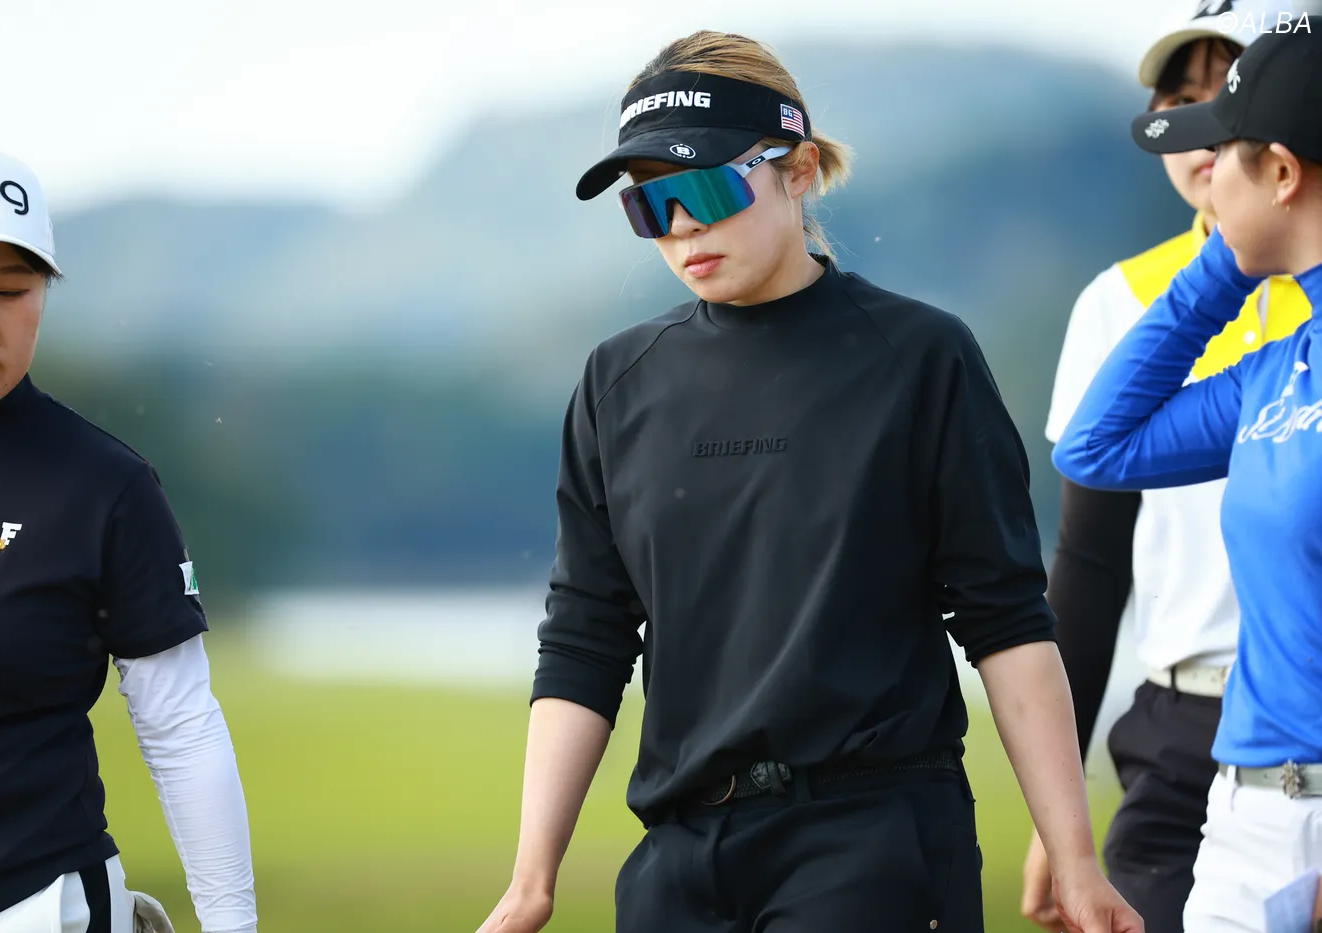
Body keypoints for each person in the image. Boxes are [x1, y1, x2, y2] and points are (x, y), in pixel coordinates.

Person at [476, 29, 1143, 933]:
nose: (681, 227)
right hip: (678, 859)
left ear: (796, 169)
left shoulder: (921, 359)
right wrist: (531, 880)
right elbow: (585, 635)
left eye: (706, 188)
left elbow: (1007, 621)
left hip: (873, 842)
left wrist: (1073, 857)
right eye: (650, 204)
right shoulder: (618, 382)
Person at [1020, 4, 1312, 931]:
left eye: (1225, 128)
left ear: (1281, 165)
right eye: (1180, 107)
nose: (1203, 155)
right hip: (1222, 760)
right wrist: (1225, 262)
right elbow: (1095, 476)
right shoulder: (1256, 354)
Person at [0, 139, 257, 933]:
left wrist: (232, 925)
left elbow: (181, 727)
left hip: (31, 904)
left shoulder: (104, 485)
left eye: (11, 290)